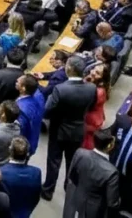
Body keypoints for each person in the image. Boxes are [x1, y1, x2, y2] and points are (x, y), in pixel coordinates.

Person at [41, 56, 97, 200]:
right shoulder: (92, 88)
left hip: (58, 130)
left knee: (54, 161)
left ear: (69, 69)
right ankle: (69, 189)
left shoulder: (60, 89)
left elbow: (47, 111)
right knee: (72, 162)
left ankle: (48, 190)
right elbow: (91, 106)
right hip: (78, 130)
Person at [63, 129, 120, 218]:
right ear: (110, 146)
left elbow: (71, 178)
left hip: (75, 202)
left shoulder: (80, 153)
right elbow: (112, 203)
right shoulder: (112, 172)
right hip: (93, 211)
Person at [0, 137, 40, 218]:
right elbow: (36, 197)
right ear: (27, 153)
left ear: (10, 151)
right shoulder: (36, 172)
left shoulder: (0, 172)